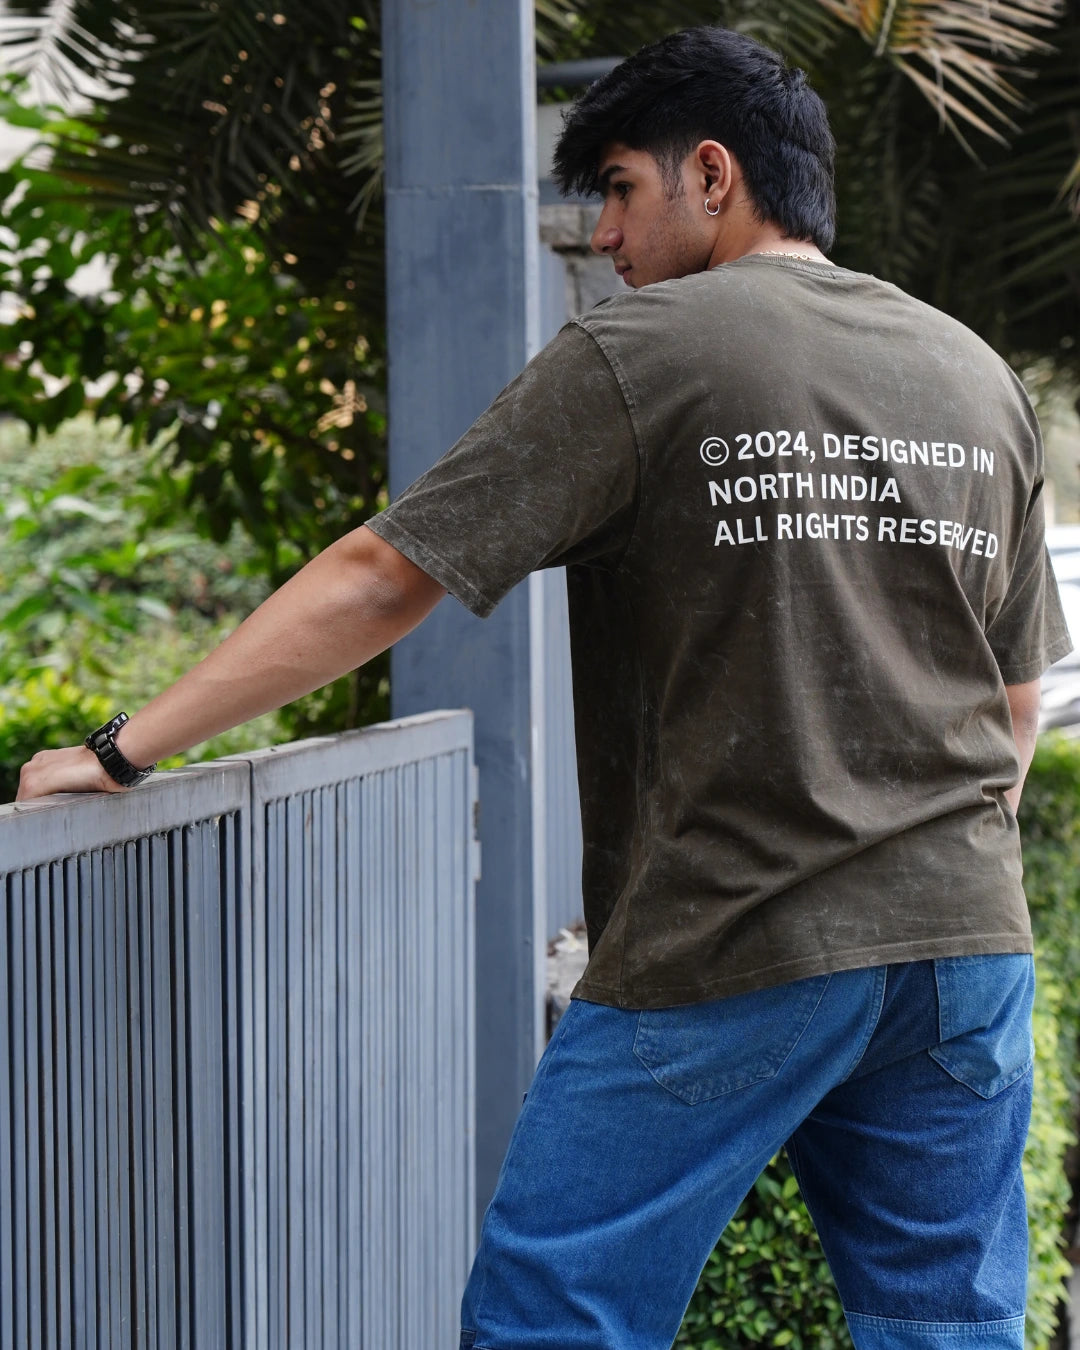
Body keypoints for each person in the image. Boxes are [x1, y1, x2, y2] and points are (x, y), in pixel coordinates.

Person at [18, 25, 1071, 1350]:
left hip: (737, 930)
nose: (605, 239)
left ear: (710, 173)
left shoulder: (654, 348)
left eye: (619, 191)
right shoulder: (975, 374)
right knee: (947, 1331)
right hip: (969, 949)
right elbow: (1018, 697)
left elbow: (383, 576)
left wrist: (117, 751)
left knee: (552, 1319)